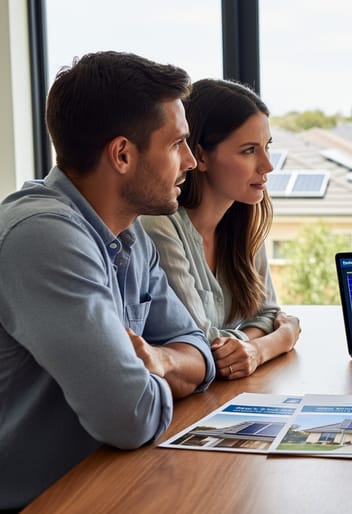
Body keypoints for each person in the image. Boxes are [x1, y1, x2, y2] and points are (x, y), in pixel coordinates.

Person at [0, 51, 215, 510]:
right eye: (177, 144)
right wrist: (159, 376)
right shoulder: (43, 236)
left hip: (109, 480)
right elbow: (129, 416)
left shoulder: (128, 231)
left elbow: (198, 350)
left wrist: (156, 360)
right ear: (122, 154)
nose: (192, 163)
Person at [141, 79, 300, 381]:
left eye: (266, 147)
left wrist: (250, 349)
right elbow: (203, 345)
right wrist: (277, 341)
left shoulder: (244, 221)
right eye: (248, 151)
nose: (267, 165)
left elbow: (266, 313)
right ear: (199, 156)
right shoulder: (158, 226)